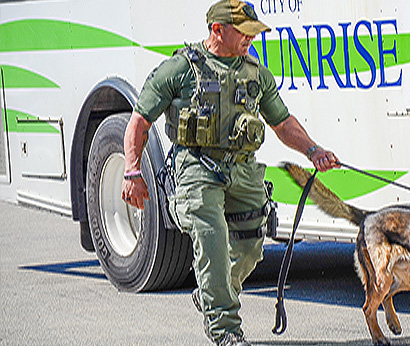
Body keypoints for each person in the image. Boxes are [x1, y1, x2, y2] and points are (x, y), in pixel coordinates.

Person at [120, 0, 339, 345]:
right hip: (196, 167)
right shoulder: (179, 69)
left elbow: (281, 122)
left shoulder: (255, 72)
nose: (251, 39)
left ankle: (211, 295)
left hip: (242, 168)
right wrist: (132, 170)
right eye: (244, 32)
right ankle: (226, 331)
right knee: (212, 240)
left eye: (254, 32)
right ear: (217, 30)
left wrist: (313, 150)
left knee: (252, 246)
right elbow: (139, 121)